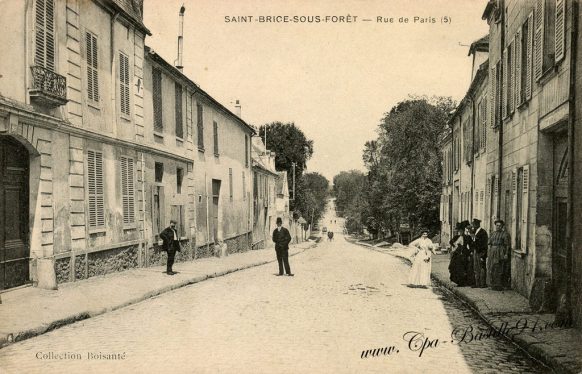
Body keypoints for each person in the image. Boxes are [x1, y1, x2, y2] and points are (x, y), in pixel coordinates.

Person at [488, 219, 511, 291]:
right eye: (497, 225)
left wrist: (506, 254)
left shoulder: (505, 234)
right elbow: (489, 243)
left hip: (500, 251)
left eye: (500, 226)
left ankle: (499, 285)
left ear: (502, 226)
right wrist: (490, 251)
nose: (498, 227)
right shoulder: (492, 234)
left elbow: (507, 245)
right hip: (493, 251)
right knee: (492, 268)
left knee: (499, 268)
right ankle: (493, 284)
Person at [448, 221, 472, 287]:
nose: (460, 232)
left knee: (463, 267)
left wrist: (469, 251)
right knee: (456, 267)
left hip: (464, 253)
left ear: (464, 230)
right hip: (457, 254)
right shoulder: (457, 237)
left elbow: (470, 245)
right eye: (459, 231)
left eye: (462, 231)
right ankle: (457, 281)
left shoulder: (467, 237)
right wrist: (456, 246)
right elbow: (451, 242)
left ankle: (463, 282)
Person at [471, 218, 488, 288]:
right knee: (476, 268)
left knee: (481, 267)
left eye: (474, 224)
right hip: (475, 251)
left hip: (480, 252)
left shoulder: (483, 232)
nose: (473, 226)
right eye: (473, 224)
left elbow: (484, 243)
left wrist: (483, 254)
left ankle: (482, 283)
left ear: (478, 224)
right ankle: (477, 283)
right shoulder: (474, 231)